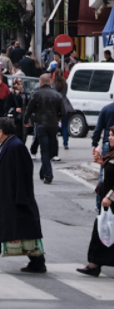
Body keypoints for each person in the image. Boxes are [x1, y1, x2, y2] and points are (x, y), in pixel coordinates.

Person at [0, 117, 46, 274]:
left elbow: (24, 174)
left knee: (7, 229)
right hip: (6, 199)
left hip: (14, 200)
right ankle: (37, 262)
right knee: (20, 231)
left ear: (1, 132)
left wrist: (21, 199)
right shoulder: (8, 145)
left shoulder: (15, 147)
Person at [78, 126, 114, 276]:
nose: (110, 138)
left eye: (112, 135)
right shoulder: (111, 154)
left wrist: (110, 197)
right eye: (110, 135)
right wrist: (101, 162)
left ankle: (94, 263)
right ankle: (94, 264)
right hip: (106, 200)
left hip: (110, 200)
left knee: (106, 230)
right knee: (101, 230)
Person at [23, 73, 66, 185]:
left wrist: (26, 120)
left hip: (41, 124)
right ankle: (45, 172)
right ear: (50, 82)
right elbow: (64, 112)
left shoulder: (37, 94)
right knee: (50, 150)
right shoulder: (57, 95)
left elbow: (29, 108)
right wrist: (58, 118)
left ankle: (47, 174)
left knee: (45, 150)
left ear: (40, 82)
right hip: (53, 125)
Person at [53, 68, 72, 153]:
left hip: (56, 105)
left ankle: (54, 141)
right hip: (65, 105)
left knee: (54, 126)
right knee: (65, 125)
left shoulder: (53, 85)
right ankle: (65, 143)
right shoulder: (65, 84)